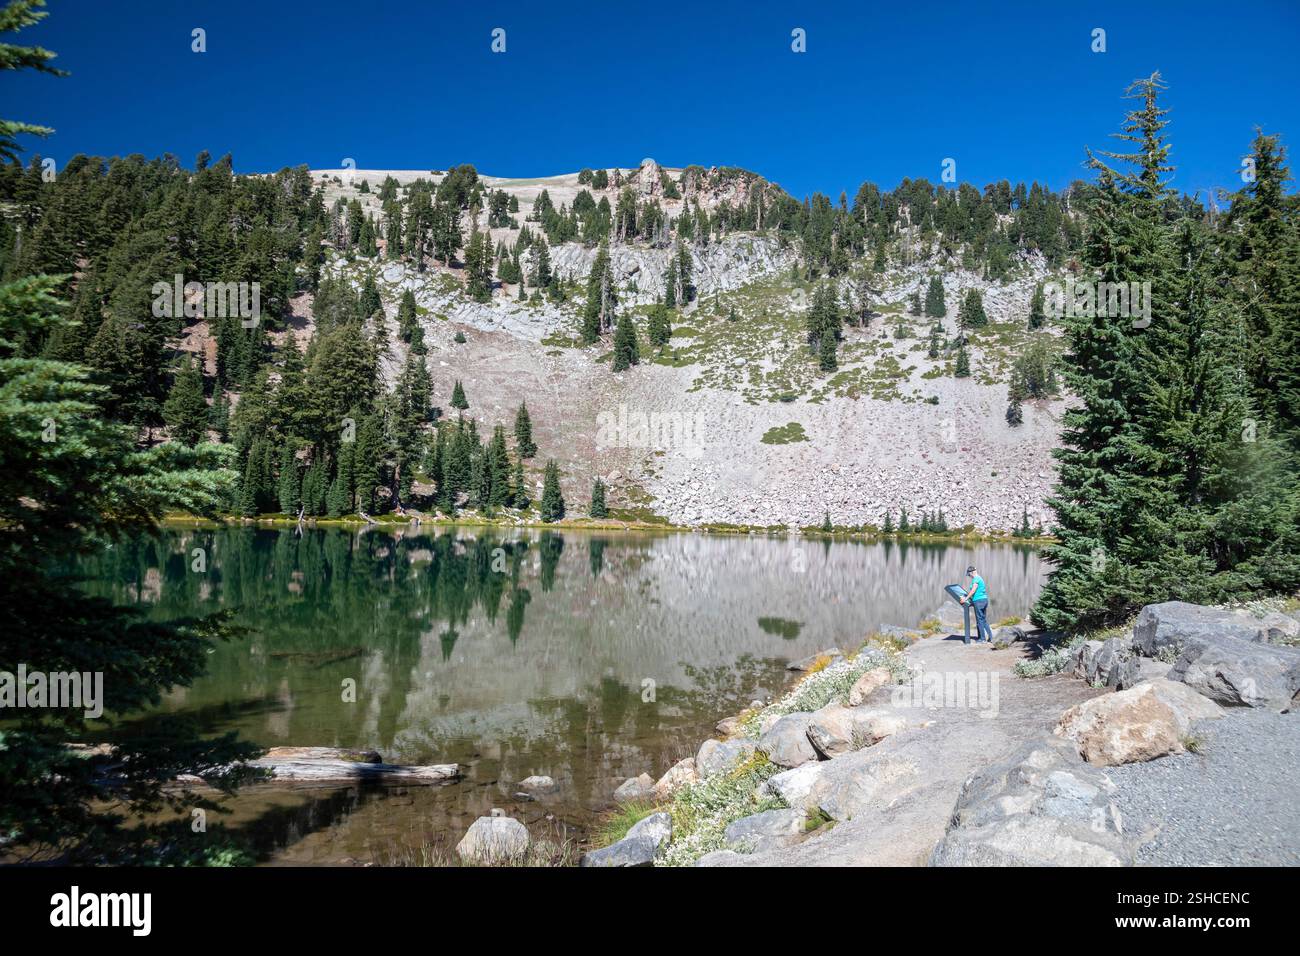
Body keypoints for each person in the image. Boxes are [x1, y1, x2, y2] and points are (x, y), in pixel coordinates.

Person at [960, 564, 993, 643]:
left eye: (968, 575)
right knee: (983, 620)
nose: (969, 576)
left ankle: (982, 639)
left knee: (979, 620)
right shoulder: (980, 578)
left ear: (971, 573)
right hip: (984, 600)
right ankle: (991, 637)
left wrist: (966, 599)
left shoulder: (976, 579)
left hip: (979, 601)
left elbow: (973, 590)